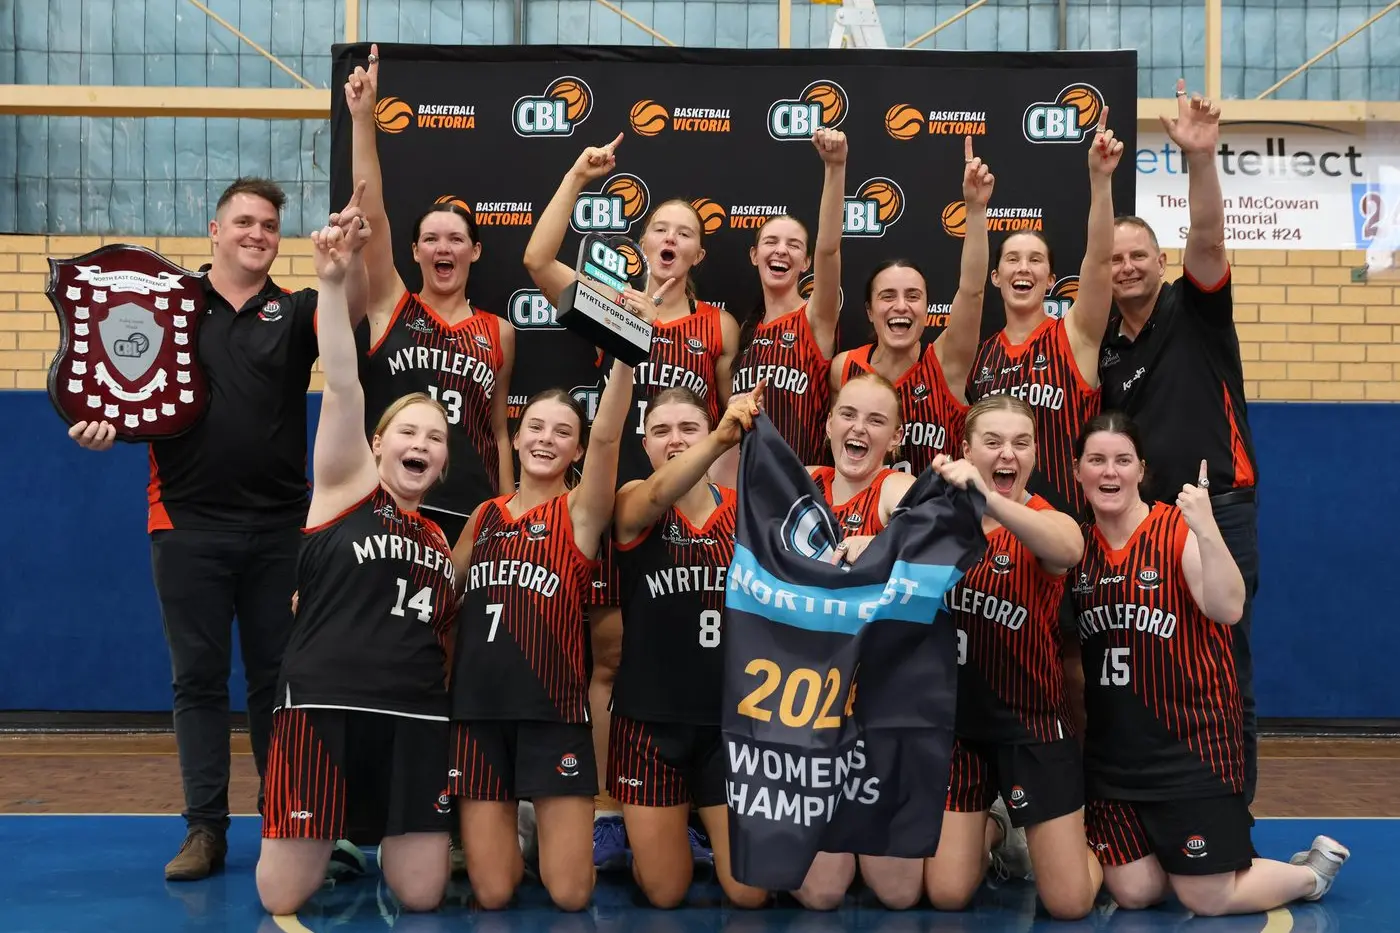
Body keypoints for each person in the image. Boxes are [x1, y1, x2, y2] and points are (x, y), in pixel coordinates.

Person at [67, 178, 362, 881]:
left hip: (281, 529)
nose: (257, 234)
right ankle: (204, 830)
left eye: (269, 225)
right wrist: (102, 422)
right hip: (185, 523)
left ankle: (286, 820)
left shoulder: (297, 310)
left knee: (276, 684)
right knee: (197, 682)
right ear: (214, 230)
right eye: (244, 222)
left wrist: (341, 268)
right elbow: (117, 380)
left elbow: (350, 336)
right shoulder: (165, 307)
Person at [523, 133, 740, 868]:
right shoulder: (614, 306)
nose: (671, 238)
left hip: (698, 499)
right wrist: (576, 176)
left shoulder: (717, 326)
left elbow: (728, 423)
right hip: (622, 493)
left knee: (693, 647)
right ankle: (612, 806)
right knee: (612, 654)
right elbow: (537, 261)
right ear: (643, 243)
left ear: (699, 253)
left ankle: (693, 809)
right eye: (660, 228)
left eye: (686, 232)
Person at [254, 215, 457, 915]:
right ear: (377, 443)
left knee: (423, 895)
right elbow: (343, 385)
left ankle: (377, 833)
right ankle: (332, 833)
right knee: (282, 893)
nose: (420, 442)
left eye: (435, 437)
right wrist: (333, 282)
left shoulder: (440, 542)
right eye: (408, 430)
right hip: (324, 705)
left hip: (414, 714)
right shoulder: (345, 488)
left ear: (442, 463)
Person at [1070, 412, 1347, 915]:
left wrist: (1207, 528)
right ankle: (1204, 864)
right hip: (1115, 763)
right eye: (1097, 460)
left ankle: (1311, 874)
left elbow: (1228, 607)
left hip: (1191, 750)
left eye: (1123, 460)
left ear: (1141, 470)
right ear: (1077, 471)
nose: (1110, 472)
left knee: (1206, 897)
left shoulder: (1176, 530)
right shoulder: (1078, 548)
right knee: (1133, 891)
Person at [446, 289, 650, 911]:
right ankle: (518, 827)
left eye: (563, 432)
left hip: (553, 715)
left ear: (577, 450)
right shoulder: (484, 516)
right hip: (479, 714)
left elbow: (610, 435)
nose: (546, 439)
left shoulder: (580, 512)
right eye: (535, 427)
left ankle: (539, 822)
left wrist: (625, 348)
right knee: (493, 893)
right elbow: (440, 588)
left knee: (570, 894)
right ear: (516, 434)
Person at [1100, 80, 1260, 804]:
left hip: (1218, 509)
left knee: (1223, 659)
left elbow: (1209, 237)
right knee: (1161, 668)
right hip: (1146, 523)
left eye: (1138, 255)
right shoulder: (1103, 348)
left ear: (1160, 262)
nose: (1127, 266)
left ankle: (1233, 816)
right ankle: (1166, 809)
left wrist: (1200, 157)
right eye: (1114, 259)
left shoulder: (1195, 310)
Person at [966, 107, 1122, 736]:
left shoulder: (1073, 338)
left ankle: (1074, 784)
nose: (1023, 267)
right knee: (998, 668)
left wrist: (1101, 181)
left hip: (1066, 539)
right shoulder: (980, 355)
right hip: (995, 544)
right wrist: (977, 212)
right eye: (1012, 258)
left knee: (1074, 675)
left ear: (1051, 278)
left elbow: (1101, 264)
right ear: (997, 274)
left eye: (1036, 259)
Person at [922, 396, 1099, 920]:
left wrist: (989, 502)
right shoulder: (937, 520)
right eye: (993, 442)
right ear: (966, 451)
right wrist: (870, 544)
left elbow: (1069, 548)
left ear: (1036, 454)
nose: (1008, 454)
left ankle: (1108, 852)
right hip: (959, 728)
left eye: (1021, 443)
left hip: (1032, 726)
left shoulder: (1044, 520)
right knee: (946, 894)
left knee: (1068, 904)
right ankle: (1000, 829)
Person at [343, 43, 515, 546]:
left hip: (471, 509)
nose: (444, 248)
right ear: (415, 251)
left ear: (474, 252)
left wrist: (508, 513)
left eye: (456, 239)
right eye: (432, 239)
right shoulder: (391, 304)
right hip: (387, 502)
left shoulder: (499, 331)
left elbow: (499, 432)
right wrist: (363, 120)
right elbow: (372, 215)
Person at [606, 385, 770, 909]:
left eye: (688, 428)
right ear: (645, 444)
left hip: (731, 723)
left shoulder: (748, 512)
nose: (674, 439)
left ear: (706, 429)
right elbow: (657, 497)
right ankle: (653, 839)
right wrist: (719, 439)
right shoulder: (632, 499)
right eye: (661, 431)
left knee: (750, 893)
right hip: (649, 724)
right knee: (666, 892)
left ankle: (694, 833)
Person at [788, 372, 922, 910]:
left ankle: (992, 827)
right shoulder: (802, 484)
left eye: (875, 420)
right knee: (821, 894)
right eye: (848, 415)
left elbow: (931, 526)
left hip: (879, 712)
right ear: (828, 425)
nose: (859, 428)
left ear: (895, 437)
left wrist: (884, 545)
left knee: (898, 893)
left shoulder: (893, 487)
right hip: (809, 707)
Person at [831, 136, 994, 476]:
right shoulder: (844, 369)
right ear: (869, 311)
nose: (901, 306)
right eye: (888, 296)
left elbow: (972, 292)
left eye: (913, 296)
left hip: (934, 511)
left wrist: (976, 210)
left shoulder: (946, 365)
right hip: (865, 510)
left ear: (926, 309)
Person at [716, 125, 847, 483]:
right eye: (771, 241)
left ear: (806, 262)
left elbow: (830, 249)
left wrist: (835, 167)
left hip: (800, 488)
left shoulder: (814, 318)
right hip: (744, 491)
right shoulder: (744, 334)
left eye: (794, 245)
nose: (781, 250)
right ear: (754, 255)